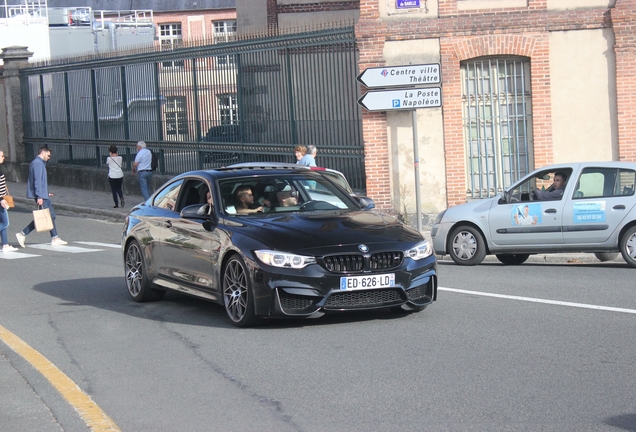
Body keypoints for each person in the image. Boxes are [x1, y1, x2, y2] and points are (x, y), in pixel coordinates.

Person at [15, 144, 67, 248]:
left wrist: (45, 192)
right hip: (41, 196)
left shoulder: (38, 163)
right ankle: (22, 234)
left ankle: (55, 237)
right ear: (43, 152)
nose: (49, 157)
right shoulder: (37, 164)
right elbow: (37, 181)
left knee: (49, 216)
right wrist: (40, 196)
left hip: (43, 194)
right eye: (48, 155)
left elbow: (39, 182)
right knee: (44, 217)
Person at [0, 150, 18, 252]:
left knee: (2, 222)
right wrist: (1, 199)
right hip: (0, 200)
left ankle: (5, 244)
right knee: (5, 222)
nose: (3, 158)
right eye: (2, 156)